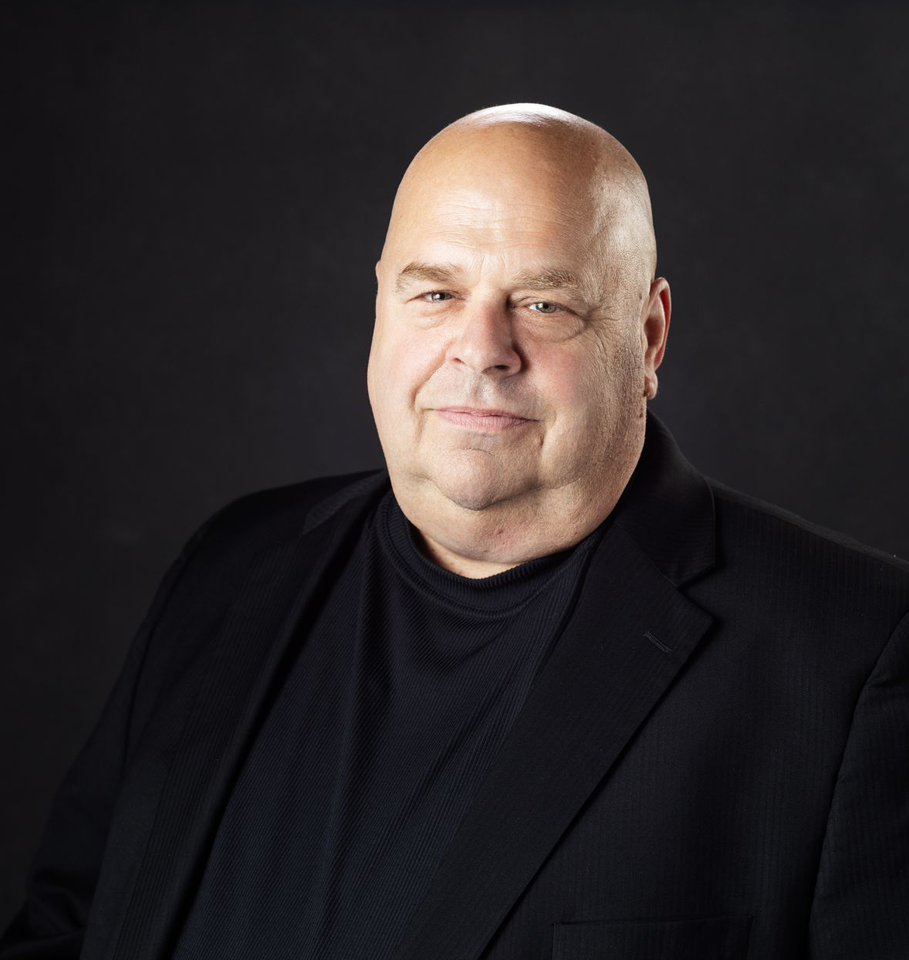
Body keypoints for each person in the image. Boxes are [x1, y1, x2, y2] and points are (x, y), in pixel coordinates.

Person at [2, 102, 907, 960]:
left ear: (649, 336)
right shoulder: (234, 563)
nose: (480, 348)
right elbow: (70, 925)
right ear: (379, 306)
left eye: (544, 303)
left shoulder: (849, 659)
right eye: (433, 293)